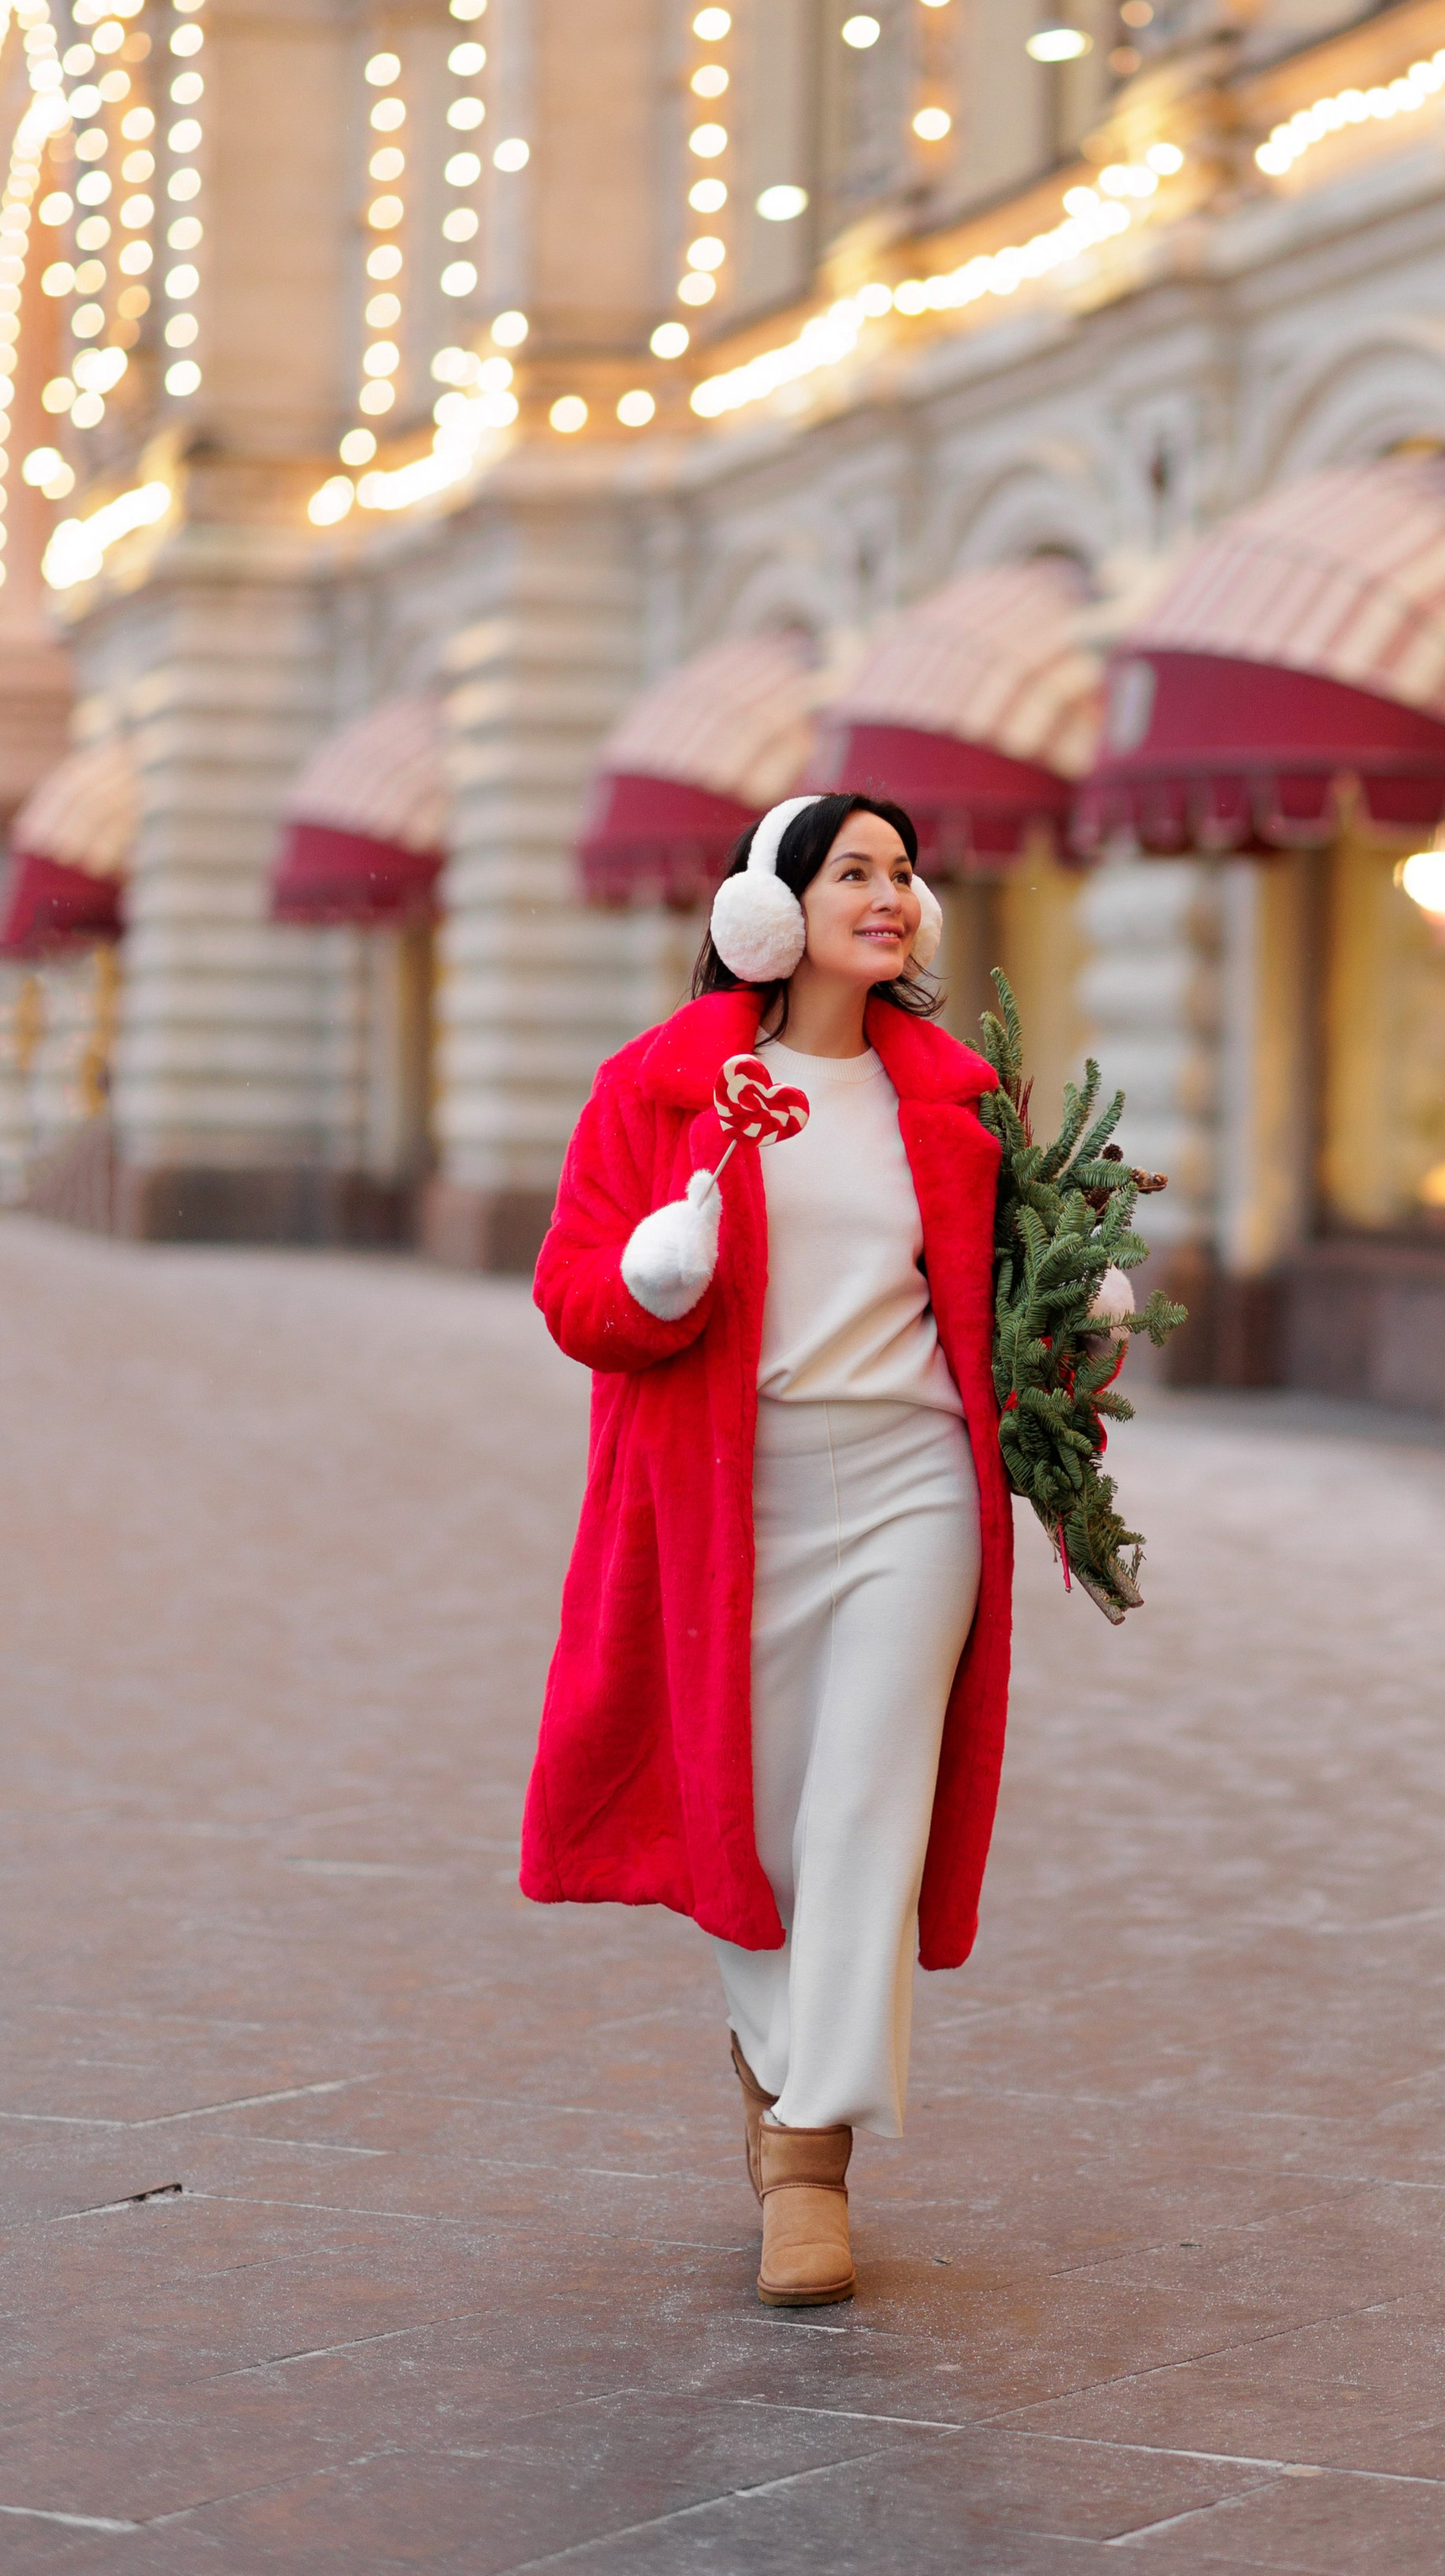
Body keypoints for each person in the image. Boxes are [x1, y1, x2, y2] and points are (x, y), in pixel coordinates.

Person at [519, 792, 1015, 2308]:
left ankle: (809, 2162)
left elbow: (1015, 1299)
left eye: (904, 873)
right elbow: (576, 1301)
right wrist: (655, 1274)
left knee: (870, 1809)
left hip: (913, 1486)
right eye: (853, 870)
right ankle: (778, 2057)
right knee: (756, 1821)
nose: (890, 894)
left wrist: (1079, 1329)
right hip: (730, 1498)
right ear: (769, 909)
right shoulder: (663, 1089)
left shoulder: (959, 1095)